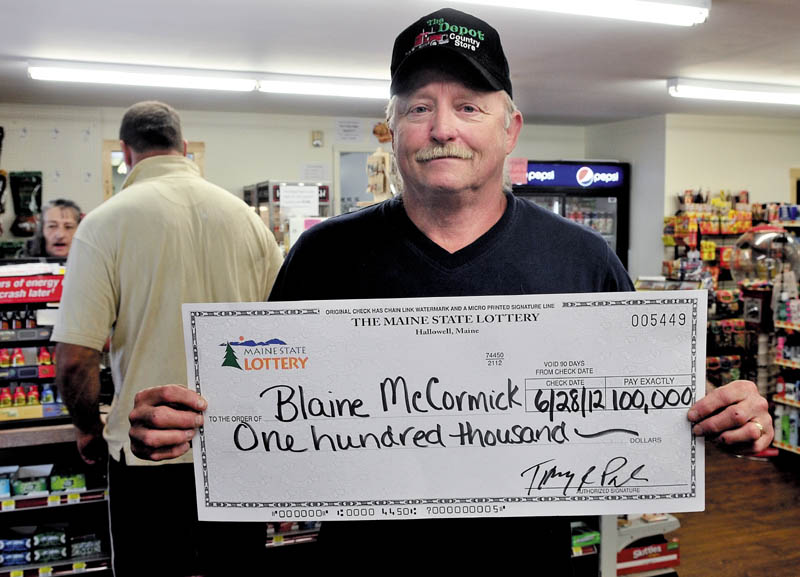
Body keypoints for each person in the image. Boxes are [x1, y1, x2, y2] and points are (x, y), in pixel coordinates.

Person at [128, 8, 773, 571]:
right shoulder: (323, 256)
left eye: (469, 105)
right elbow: (263, 406)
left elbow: (646, 405)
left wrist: (723, 416)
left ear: (510, 128)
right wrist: (182, 424)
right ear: (392, 129)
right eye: (418, 107)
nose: (442, 127)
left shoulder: (583, 261)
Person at [52, 100, 283, 576]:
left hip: (147, 457)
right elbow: (287, 338)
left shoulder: (104, 223)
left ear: (126, 153)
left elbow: (75, 358)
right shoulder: (248, 221)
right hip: (238, 450)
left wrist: (87, 429)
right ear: (182, 147)